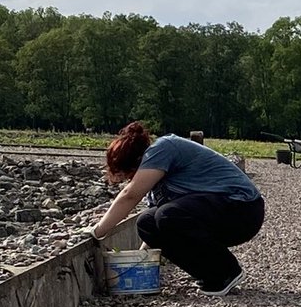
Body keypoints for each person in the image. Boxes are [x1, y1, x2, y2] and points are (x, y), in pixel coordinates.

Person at [90, 122, 265, 296]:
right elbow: (157, 230)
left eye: (128, 175)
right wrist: (139, 261)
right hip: (217, 211)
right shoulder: (157, 188)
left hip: (243, 209)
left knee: (167, 216)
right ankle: (211, 276)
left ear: (136, 162)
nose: (130, 180)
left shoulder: (164, 148)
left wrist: (97, 231)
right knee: (147, 222)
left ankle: (226, 271)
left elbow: (130, 195)